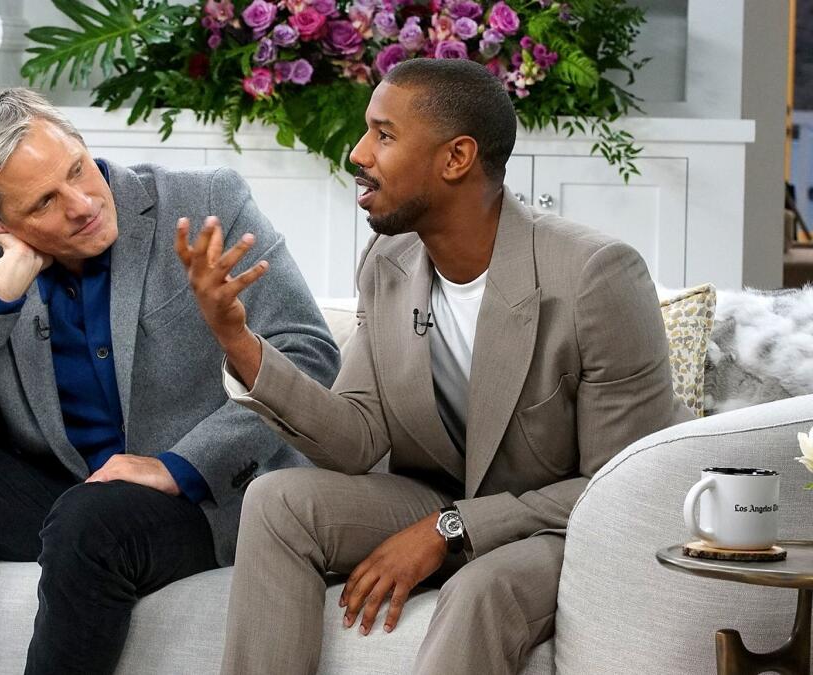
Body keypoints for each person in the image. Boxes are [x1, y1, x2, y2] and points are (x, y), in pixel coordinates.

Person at [178, 58, 694, 675]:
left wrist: (447, 529)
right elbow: (356, 437)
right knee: (278, 499)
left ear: (456, 159)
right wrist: (237, 339)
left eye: (384, 135)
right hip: (438, 497)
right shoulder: (387, 261)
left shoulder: (595, 276)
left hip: (561, 526)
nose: (357, 153)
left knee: (482, 587)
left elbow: (617, 486)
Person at [0, 87, 340, 674]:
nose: (82, 203)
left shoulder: (205, 201)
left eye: (77, 170)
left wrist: (175, 466)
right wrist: (2, 288)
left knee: (89, 521)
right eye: (43, 203)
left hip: (210, 498)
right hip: (81, 496)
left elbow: (310, 354)